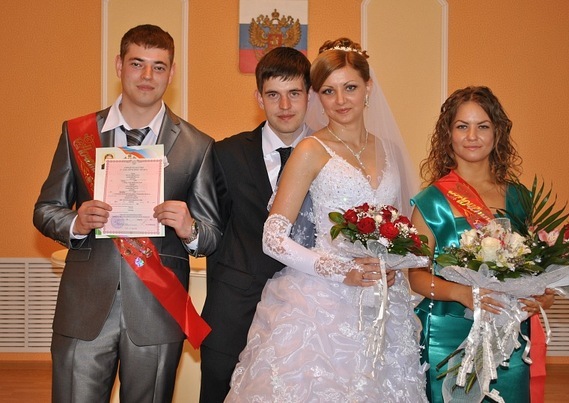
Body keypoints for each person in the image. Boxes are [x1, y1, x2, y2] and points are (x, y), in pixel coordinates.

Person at [226, 38, 427, 401]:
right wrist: (341, 271)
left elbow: (399, 229)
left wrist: (392, 264)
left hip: (383, 301)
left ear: (368, 88)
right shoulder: (310, 150)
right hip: (320, 303)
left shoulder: (390, 150)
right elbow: (273, 238)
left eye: (350, 87)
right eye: (329, 91)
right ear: (317, 96)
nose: (341, 100)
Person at [33, 24, 221, 402]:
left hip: (157, 310)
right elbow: (45, 210)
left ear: (171, 73)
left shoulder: (197, 146)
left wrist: (190, 229)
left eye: (158, 66)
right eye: (137, 63)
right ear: (119, 65)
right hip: (84, 307)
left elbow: (212, 234)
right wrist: (76, 222)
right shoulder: (78, 133)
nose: (147, 75)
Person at [408, 86, 555, 403]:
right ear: (448, 135)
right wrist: (463, 293)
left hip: (509, 334)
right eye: (462, 126)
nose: (472, 136)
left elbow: (539, 266)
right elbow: (416, 277)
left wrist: (543, 294)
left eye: (483, 126)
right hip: (447, 334)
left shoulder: (520, 197)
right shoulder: (431, 201)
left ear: (497, 132)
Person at [200, 46, 312, 402]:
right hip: (235, 307)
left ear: (309, 95)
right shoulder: (225, 154)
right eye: (273, 95)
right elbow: (213, 229)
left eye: (294, 93)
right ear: (258, 97)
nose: (285, 105)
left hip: (308, 306)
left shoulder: (330, 156)